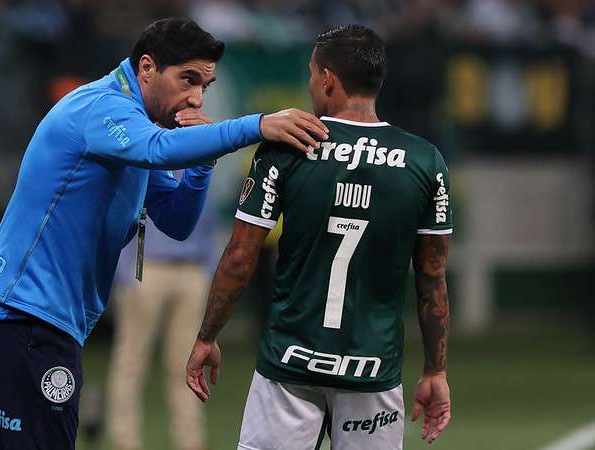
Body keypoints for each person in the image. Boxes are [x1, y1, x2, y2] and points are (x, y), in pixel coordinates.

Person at [0, 17, 329, 450]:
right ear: (147, 68)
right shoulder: (102, 108)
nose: (195, 96)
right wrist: (255, 126)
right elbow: (158, 150)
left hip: (37, 317)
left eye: (204, 86)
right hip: (23, 312)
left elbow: (175, 221)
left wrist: (201, 164)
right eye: (187, 79)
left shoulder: (134, 125)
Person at [185, 25, 453, 450]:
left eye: (312, 74)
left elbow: (240, 256)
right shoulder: (425, 160)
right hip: (373, 370)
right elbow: (432, 278)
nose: (311, 84)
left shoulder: (289, 146)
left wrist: (206, 337)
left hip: (289, 363)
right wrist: (435, 371)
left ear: (327, 78)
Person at [107, 191, 216, 450]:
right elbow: (124, 216)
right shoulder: (148, 160)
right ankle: (125, 442)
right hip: (148, 266)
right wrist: (126, 273)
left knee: (188, 363)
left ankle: (191, 442)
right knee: (132, 360)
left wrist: (207, 270)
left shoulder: (197, 165)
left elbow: (211, 222)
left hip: (191, 269)